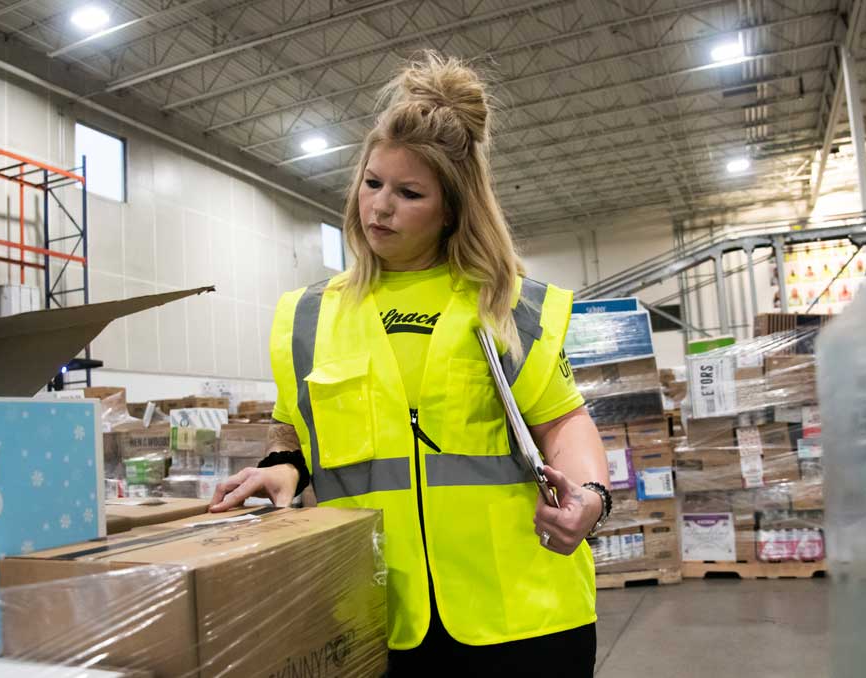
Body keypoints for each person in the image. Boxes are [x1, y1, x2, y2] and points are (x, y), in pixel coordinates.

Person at [210, 52, 611, 677]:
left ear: (451, 208)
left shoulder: (504, 305)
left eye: (408, 193)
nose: (380, 208)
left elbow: (564, 423)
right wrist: (282, 469)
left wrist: (590, 495)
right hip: (376, 614)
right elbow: (295, 430)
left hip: (523, 616)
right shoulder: (310, 317)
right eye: (372, 184)